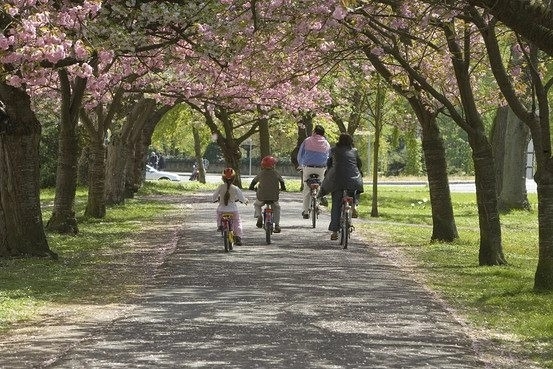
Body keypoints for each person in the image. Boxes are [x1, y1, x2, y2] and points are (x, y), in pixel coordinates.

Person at [321, 133, 364, 241]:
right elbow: (359, 164)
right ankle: (354, 206)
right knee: (355, 191)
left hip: (337, 181)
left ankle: (334, 232)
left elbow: (329, 163)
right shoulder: (354, 151)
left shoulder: (334, 150)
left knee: (336, 205)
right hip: (353, 180)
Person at [296, 124, 331, 219]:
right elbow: (329, 156)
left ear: (315, 132)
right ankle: (317, 203)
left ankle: (306, 211)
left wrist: (300, 164)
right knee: (320, 186)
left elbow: (300, 154)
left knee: (306, 189)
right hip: (321, 168)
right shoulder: (326, 143)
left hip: (308, 167)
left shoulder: (307, 141)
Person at [248, 155, 287, 233]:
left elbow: (254, 182)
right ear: (273, 165)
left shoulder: (261, 173)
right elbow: (282, 182)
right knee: (277, 208)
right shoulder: (276, 173)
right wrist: (283, 188)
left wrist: (251, 187)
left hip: (262, 196)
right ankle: (277, 225)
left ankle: (259, 216)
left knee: (257, 205)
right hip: (273, 197)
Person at [212, 168, 248, 246]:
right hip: (233, 210)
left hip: (222, 210)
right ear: (234, 178)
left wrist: (214, 200)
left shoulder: (220, 187)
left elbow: (214, 197)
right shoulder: (235, 188)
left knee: (218, 216)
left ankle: (220, 226)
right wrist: (245, 201)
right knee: (237, 222)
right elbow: (242, 198)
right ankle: (238, 237)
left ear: (223, 178)